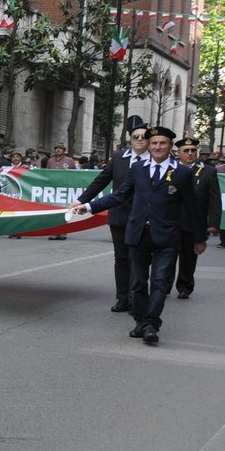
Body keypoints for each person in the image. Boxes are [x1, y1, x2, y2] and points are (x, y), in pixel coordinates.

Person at [71, 125, 198, 346]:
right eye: (155, 143)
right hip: (138, 234)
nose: (158, 147)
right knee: (138, 283)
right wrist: (89, 206)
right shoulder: (138, 168)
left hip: (166, 237)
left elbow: (192, 207)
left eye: (163, 143)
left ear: (170, 147)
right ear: (149, 145)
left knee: (158, 282)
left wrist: (199, 238)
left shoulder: (182, 172)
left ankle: (151, 324)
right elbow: (119, 195)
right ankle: (141, 320)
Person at [77, 117, 150, 315]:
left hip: (144, 217)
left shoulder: (154, 160)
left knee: (139, 258)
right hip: (119, 216)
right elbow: (101, 181)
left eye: (144, 137)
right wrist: (82, 200)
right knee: (122, 258)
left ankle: (137, 298)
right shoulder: (118, 158)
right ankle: (122, 297)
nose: (140, 140)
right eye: (136, 137)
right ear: (130, 139)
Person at [171, 136, 221, 299]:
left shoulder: (208, 172)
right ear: (179, 153)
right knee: (167, 256)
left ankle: (185, 287)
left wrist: (213, 223)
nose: (190, 153)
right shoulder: (170, 169)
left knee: (188, 258)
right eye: (186, 151)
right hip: (170, 222)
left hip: (193, 223)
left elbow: (214, 200)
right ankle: (163, 286)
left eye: (193, 150)